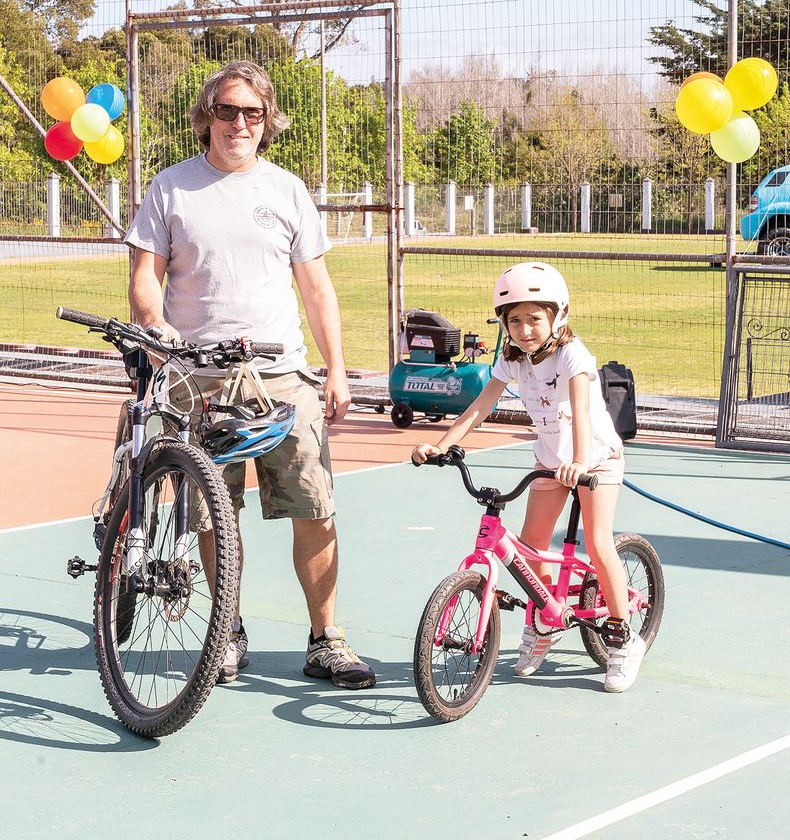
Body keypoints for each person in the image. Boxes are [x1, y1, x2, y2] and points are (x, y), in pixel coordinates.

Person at [124, 60, 375, 690]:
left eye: (253, 113)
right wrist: (157, 330)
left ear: (267, 122)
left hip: (283, 380)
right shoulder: (170, 188)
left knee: (313, 508)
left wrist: (338, 371)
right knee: (212, 514)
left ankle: (326, 639)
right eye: (228, 111)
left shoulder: (287, 191)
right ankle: (227, 631)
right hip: (197, 379)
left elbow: (317, 289)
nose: (240, 123)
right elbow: (144, 280)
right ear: (206, 116)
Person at [411, 261, 645, 694]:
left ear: (558, 316)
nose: (524, 329)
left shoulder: (573, 355)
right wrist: (442, 445)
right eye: (513, 320)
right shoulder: (512, 360)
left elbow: (576, 410)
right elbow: (480, 407)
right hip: (550, 460)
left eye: (534, 318)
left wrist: (578, 462)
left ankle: (622, 637)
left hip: (594, 459)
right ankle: (545, 622)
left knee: (598, 543)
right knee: (530, 547)